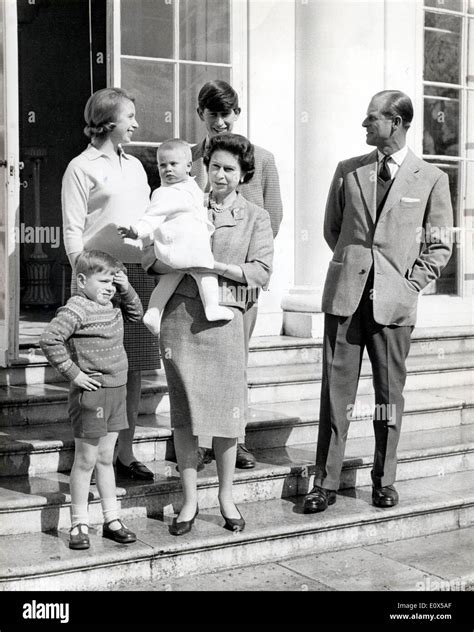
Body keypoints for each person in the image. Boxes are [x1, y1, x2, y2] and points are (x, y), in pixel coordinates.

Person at [303, 90, 453, 514]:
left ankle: (384, 480)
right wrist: (354, 267)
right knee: (335, 395)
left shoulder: (431, 178)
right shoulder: (348, 172)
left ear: (397, 122)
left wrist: (407, 285)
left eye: (372, 119)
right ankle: (326, 481)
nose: (364, 126)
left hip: (393, 306)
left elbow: (439, 246)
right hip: (346, 301)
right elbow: (334, 230)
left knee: (388, 397)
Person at [148, 133, 273, 535]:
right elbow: (152, 258)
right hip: (180, 318)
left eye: (229, 169)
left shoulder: (256, 216)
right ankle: (188, 500)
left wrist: (216, 267)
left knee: (226, 414)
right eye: (214, 166)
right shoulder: (182, 200)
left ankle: (226, 497)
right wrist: (173, 259)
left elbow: (261, 273)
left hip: (225, 321)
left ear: (243, 174)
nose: (219, 175)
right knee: (183, 414)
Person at [62, 87, 159, 481]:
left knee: (131, 368)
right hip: (96, 278)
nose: (136, 123)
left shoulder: (136, 166)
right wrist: (87, 282)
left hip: (136, 274)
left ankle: (124, 452)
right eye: (130, 116)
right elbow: (72, 231)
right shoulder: (80, 167)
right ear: (108, 121)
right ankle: (90, 455)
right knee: (95, 367)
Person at [191, 79, 283, 470]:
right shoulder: (190, 156)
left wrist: (240, 255)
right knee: (194, 363)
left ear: (237, 114)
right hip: (192, 280)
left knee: (234, 364)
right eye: (213, 115)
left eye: (227, 114)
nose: (220, 122)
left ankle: (236, 439)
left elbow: (273, 217)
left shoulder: (260, 159)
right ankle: (197, 439)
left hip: (239, 281)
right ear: (202, 116)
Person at [39, 250, 142, 549]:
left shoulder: (113, 304)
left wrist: (127, 287)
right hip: (92, 394)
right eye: (103, 281)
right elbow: (49, 339)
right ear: (82, 280)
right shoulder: (77, 308)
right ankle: (79, 523)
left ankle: (112, 520)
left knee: (106, 459)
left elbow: (136, 313)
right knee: (86, 461)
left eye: (113, 282)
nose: (109, 288)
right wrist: (73, 374)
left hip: (117, 391)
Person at [118, 139, 233, 334]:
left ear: (189, 166)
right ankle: (212, 306)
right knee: (206, 272)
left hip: (180, 250)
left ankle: (153, 312)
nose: (167, 169)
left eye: (173, 164)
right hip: (186, 248)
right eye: (162, 165)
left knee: (171, 277)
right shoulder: (164, 193)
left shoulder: (190, 186)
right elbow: (151, 217)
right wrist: (137, 231)